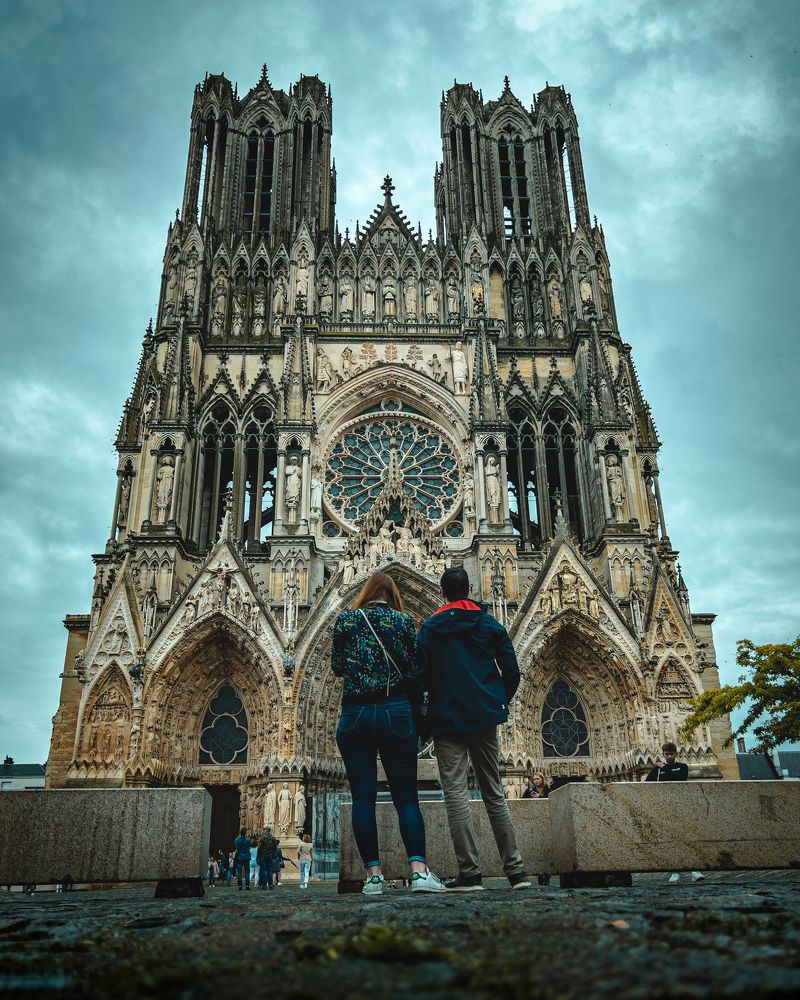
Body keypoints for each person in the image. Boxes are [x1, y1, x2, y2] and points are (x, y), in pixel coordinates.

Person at [416, 566, 531, 891]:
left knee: (455, 794)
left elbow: (419, 676)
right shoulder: (487, 622)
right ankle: (517, 872)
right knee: (494, 792)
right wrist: (496, 700)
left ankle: (471, 873)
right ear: (468, 589)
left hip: (447, 718)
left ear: (442, 592)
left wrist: (425, 715)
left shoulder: (431, 628)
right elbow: (511, 670)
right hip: (483, 716)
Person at [332, 571, 446, 896]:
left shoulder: (347, 620)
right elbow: (413, 668)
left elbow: (337, 667)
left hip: (354, 714)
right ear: (391, 595)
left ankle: (373, 878)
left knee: (363, 799)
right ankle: (419, 872)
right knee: (407, 798)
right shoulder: (402, 622)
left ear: (366, 592)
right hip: (395, 712)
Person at [646, 741, 705, 884]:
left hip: (682, 806)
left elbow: (678, 778)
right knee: (672, 840)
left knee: (688, 838)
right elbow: (647, 784)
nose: (669, 756)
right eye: (667, 754)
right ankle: (675, 872)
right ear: (663, 754)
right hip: (666, 807)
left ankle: (694, 870)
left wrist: (665, 769)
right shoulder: (657, 770)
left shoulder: (681, 767)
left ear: (676, 754)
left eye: (671, 754)